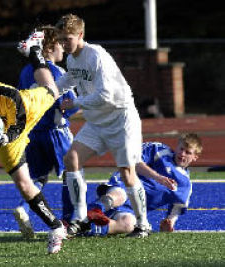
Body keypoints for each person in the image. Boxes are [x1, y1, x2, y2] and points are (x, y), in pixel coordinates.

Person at [54, 13, 174, 237]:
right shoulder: (71, 59)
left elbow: (106, 96)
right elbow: (67, 81)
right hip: (97, 121)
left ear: (80, 35)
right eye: (60, 39)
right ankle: (79, 217)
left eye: (67, 38)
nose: (63, 44)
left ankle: (143, 224)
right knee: (71, 159)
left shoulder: (96, 55)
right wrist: (43, 93)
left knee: (127, 173)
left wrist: (76, 102)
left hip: (121, 118)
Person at [0, 42, 68, 254]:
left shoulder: (10, 96)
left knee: (52, 90)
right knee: (24, 186)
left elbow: (20, 124)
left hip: (23, 116)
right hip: (4, 140)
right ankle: (56, 228)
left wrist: (4, 137)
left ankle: (35, 52)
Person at [13, 25, 78, 237]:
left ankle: (24, 207)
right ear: (50, 46)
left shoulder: (25, 71)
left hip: (33, 133)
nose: (64, 49)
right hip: (56, 132)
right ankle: (69, 220)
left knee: (39, 176)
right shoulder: (57, 72)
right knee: (73, 171)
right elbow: (69, 105)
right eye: (61, 43)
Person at [82, 133, 203, 236]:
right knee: (120, 195)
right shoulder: (159, 150)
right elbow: (133, 162)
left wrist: (169, 222)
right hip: (124, 185)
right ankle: (89, 213)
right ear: (177, 147)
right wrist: (158, 177)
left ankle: (88, 229)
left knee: (129, 224)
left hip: (132, 209)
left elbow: (176, 208)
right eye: (181, 149)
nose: (182, 154)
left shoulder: (185, 185)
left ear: (195, 157)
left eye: (188, 152)